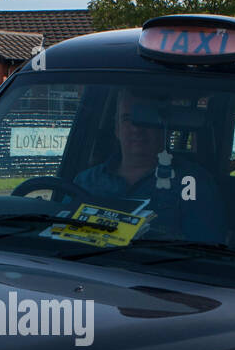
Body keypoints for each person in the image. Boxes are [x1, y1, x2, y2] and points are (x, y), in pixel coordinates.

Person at [73, 89, 225, 242]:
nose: (136, 128)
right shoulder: (85, 181)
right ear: (116, 129)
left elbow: (203, 254)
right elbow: (59, 232)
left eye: (147, 118)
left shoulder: (191, 183)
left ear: (166, 127)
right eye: (127, 118)